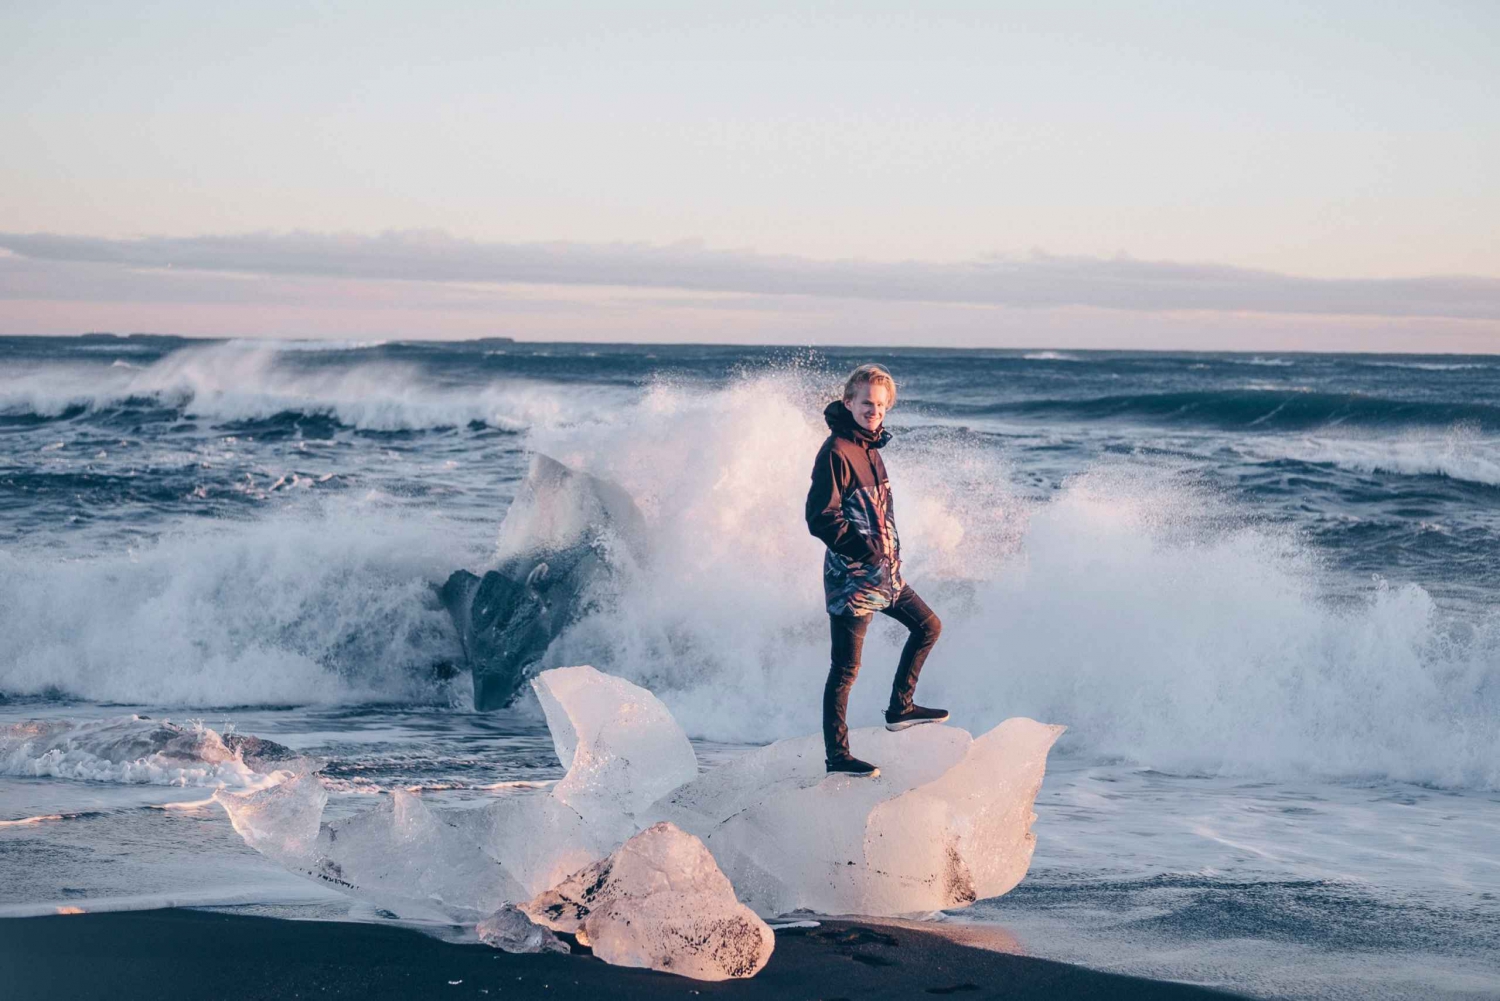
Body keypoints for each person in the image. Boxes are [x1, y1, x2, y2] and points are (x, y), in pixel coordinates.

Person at [805, 364, 947, 777]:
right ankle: (838, 756)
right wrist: (864, 551)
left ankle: (900, 707)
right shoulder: (836, 452)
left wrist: (886, 557)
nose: (874, 411)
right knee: (845, 669)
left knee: (928, 627)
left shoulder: (871, 449)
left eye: (882, 405)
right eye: (867, 402)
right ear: (848, 402)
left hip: (885, 576)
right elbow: (820, 516)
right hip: (852, 578)